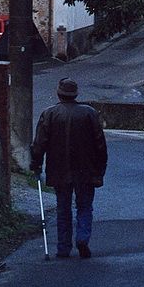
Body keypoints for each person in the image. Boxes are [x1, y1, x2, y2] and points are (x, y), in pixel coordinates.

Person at [30, 77, 108, 259]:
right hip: (86, 169)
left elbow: (39, 143)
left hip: (59, 169)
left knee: (63, 207)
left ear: (59, 93)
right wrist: (100, 168)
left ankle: (63, 247)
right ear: (76, 94)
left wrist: (36, 163)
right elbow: (100, 144)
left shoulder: (49, 114)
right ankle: (82, 238)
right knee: (85, 205)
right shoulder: (89, 113)